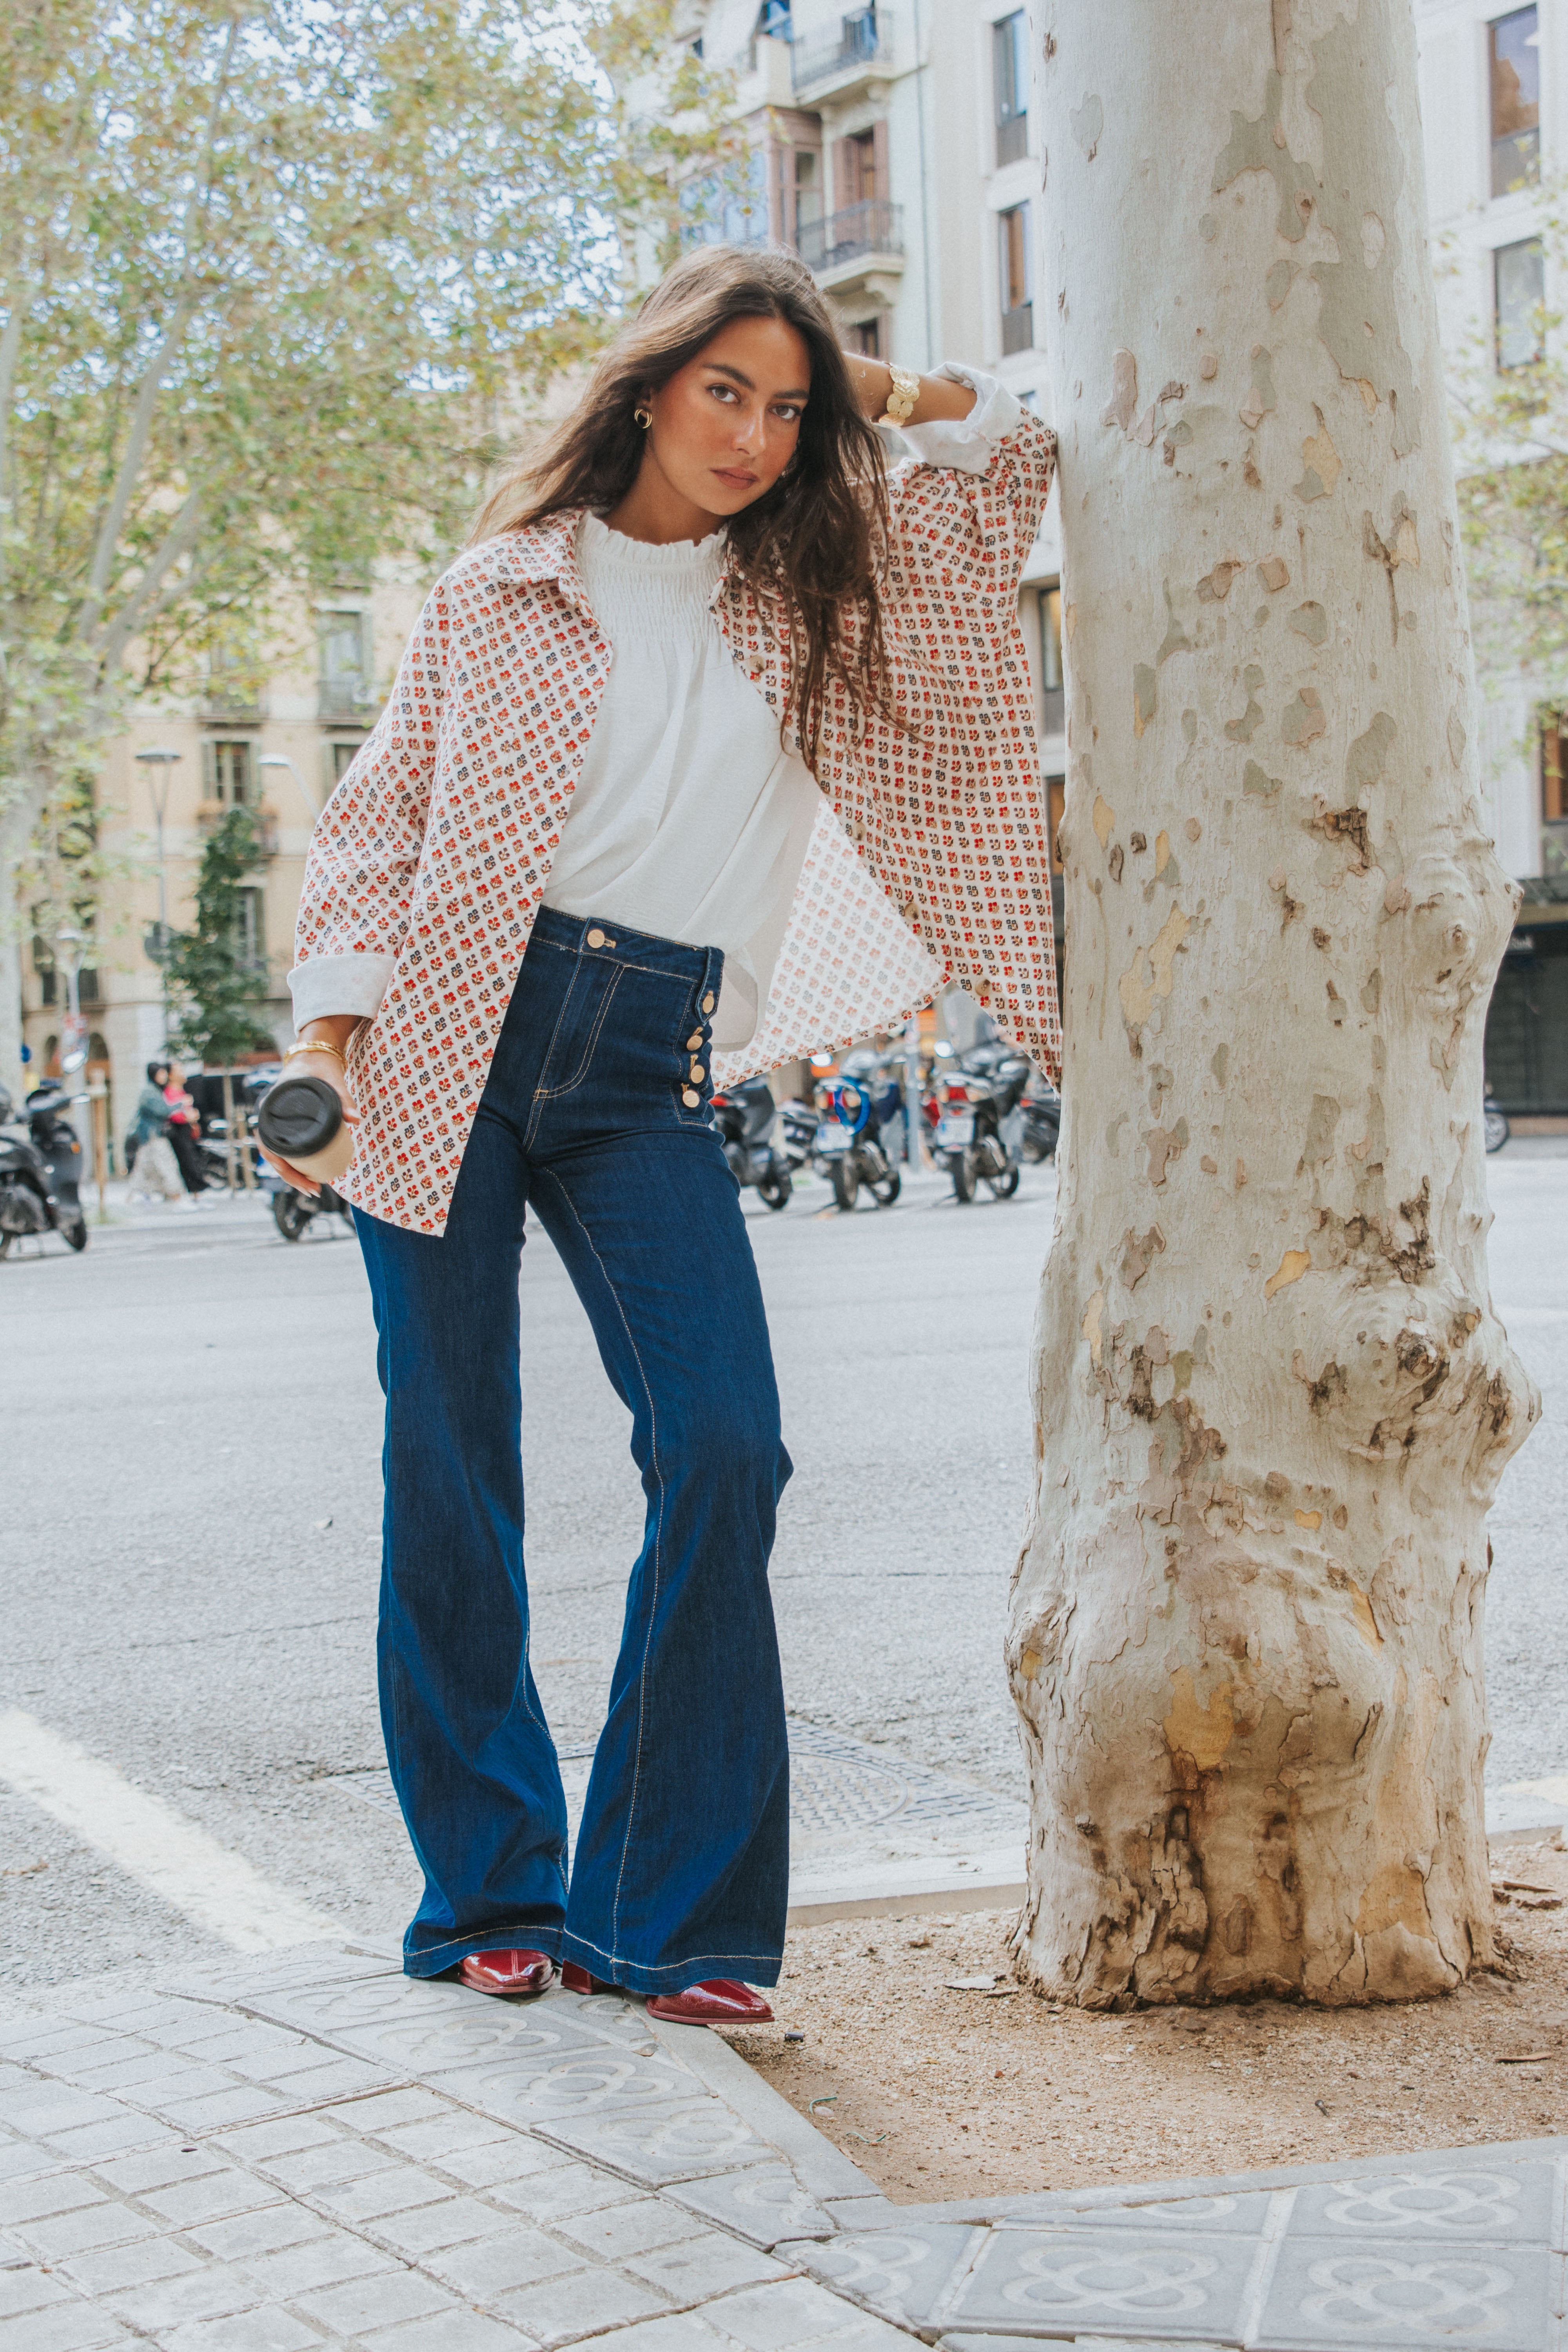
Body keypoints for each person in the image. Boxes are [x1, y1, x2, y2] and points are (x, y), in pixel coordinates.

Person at [266, 245, 1060, 2018]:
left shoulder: (812, 598)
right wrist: (327, 1020)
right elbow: (380, 812)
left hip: (645, 1057)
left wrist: (878, 390)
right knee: (447, 1466)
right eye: (727, 390)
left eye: (788, 407)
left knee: (723, 1447)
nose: (758, 433)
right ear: (645, 388)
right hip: (446, 1029)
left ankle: (659, 1911)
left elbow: (1011, 463)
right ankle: (490, 1887)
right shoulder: (499, 587)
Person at [126, 1061, 185, 1203]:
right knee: (165, 1164)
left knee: (145, 1167)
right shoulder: (150, 1092)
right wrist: (180, 1104)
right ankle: (175, 1194)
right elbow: (162, 1111)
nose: (164, 1076)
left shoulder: (155, 1090)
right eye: (161, 1074)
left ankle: (134, 1196)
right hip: (152, 1135)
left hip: (150, 1136)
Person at [162, 1062, 209, 1200]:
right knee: (187, 1161)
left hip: (187, 1131)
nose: (182, 1073)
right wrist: (187, 1117)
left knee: (192, 1160)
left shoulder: (181, 1091)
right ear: (170, 1075)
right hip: (179, 1132)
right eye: (178, 1071)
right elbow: (172, 1114)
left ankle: (196, 1193)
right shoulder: (170, 1092)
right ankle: (193, 1193)